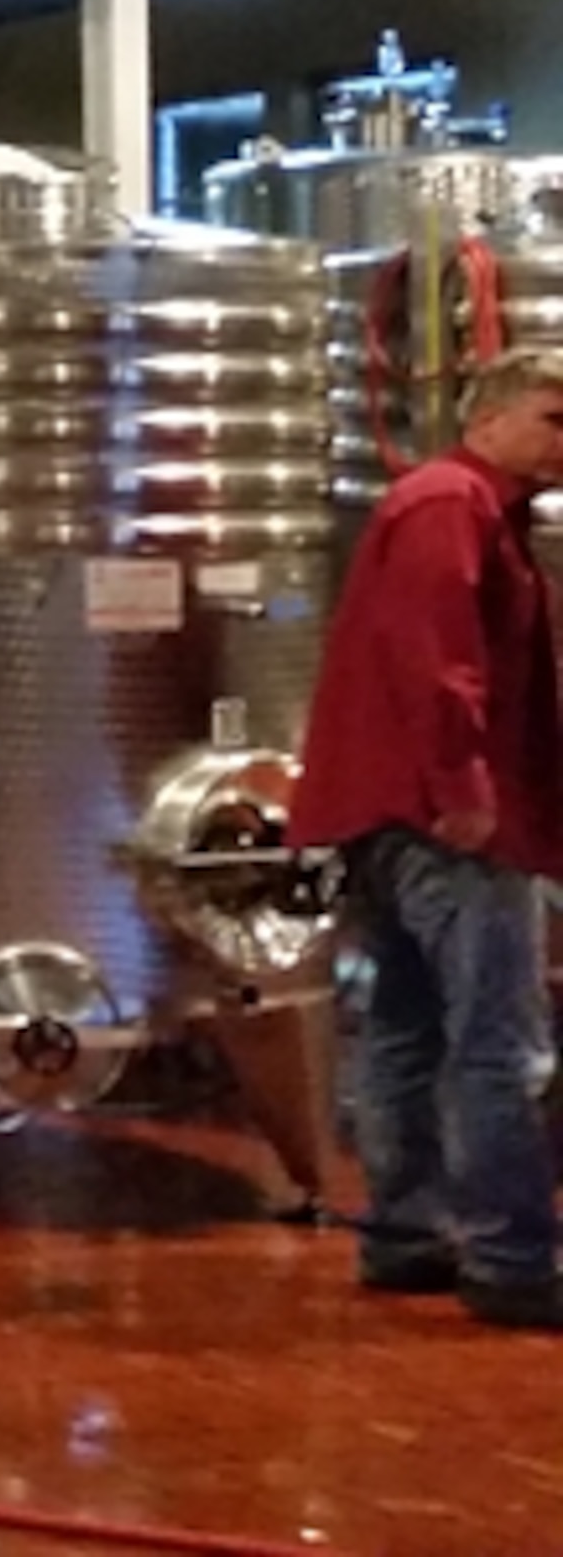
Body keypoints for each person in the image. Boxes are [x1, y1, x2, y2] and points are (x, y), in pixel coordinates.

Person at [294, 346, 563, 1330]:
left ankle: (407, 1235)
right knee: (501, 1040)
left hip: (387, 811)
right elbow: (437, 659)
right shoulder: (453, 505)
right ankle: (513, 1259)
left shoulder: (460, 506)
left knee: (407, 1027)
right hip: (448, 818)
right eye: (553, 418)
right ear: (487, 418)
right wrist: (468, 789)